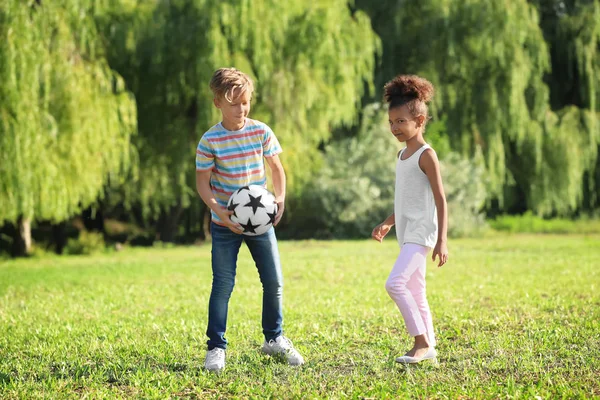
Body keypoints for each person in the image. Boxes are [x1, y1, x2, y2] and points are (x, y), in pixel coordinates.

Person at [195, 67, 304, 372]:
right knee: (223, 285)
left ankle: (274, 339)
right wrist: (220, 212)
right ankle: (216, 347)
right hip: (225, 225)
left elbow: (276, 168)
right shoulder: (210, 141)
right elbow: (202, 182)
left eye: (245, 102)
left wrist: (279, 200)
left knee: (273, 282)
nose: (241, 109)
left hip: (260, 224)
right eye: (234, 103)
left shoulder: (260, 131)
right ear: (218, 102)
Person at [371, 74, 449, 364]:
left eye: (401, 121)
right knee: (416, 290)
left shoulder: (427, 155)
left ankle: (419, 342)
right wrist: (389, 221)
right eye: (391, 122)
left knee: (395, 284)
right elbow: (405, 199)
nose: (395, 128)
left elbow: (440, 199)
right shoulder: (402, 155)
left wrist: (442, 240)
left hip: (422, 233)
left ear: (420, 121)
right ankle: (430, 349)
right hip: (406, 232)